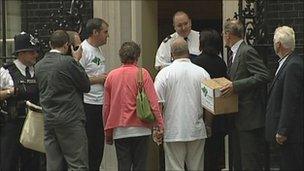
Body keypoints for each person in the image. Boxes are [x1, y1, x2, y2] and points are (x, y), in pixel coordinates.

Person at [103, 41, 164, 171]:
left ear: (121, 56)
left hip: (120, 129)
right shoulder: (143, 74)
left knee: (123, 166)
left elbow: (106, 108)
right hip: (141, 127)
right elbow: (153, 102)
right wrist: (159, 124)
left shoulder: (111, 76)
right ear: (137, 56)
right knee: (140, 166)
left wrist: (108, 132)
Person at [35, 30, 90, 170]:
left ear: (49, 44)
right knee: (77, 164)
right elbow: (85, 85)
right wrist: (76, 60)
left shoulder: (39, 65)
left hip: (49, 120)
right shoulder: (69, 63)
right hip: (70, 119)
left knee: (53, 164)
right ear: (67, 45)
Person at [154, 37, 211, 170]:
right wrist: (208, 125)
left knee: (174, 167)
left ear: (171, 54)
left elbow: (158, 104)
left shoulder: (163, 74)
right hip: (196, 129)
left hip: (172, 129)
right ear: (188, 52)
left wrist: (158, 128)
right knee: (196, 167)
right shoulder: (202, 73)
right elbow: (209, 104)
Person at [220, 19, 270, 170]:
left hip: (249, 118)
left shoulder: (246, 51)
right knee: (239, 161)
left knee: (250, 161)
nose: (223, 36)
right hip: (237, 116)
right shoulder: (234, 53)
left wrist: (236, 86)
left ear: (228, 35)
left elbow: (263, 75)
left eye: (224, 33)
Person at [0, 32, 44, 171]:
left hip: (34, 124)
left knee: (33, 163)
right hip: (13, 123)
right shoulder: (6, 71)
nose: (35, 55)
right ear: (21, 53)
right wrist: (11, 92)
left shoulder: (37, 70)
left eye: (36, 52)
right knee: (9, 162)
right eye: (32, 52)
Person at [265, 26, 303, 170]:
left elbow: (290, 101)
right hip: (290, 135)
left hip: (291, 135)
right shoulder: (288, 63)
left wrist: (282, 130)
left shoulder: (293, 65)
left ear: (278, 44)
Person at [191, 28, 228, 171]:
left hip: (200, 115)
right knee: (214, 156)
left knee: (199, 157)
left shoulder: (197, 63)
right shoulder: (221, 63)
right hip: (219, 114)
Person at [79, 18, 109, 170]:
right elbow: (77, 78)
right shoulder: (83, 50)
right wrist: (99, 79)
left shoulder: (98, 50)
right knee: (91, 146)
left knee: (98, 146)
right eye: (105, 32)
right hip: (88, 104)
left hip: (100, 103)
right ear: (95, 32)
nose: (107, 36)